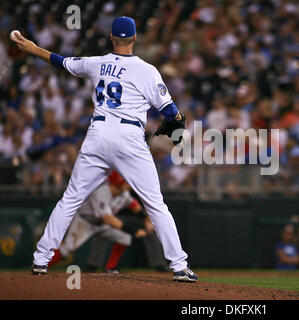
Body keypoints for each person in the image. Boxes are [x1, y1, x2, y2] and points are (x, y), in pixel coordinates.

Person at [11, 16, 197, 282]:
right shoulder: (146, 70)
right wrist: (177, 120)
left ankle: (40, 260)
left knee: (71, 199)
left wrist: (32, 48)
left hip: (97, 133)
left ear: (112, 37)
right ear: (134, 38)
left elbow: (60, 61)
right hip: (129, 136)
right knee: (155, 204)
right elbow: (169, 111)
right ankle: (179, 266)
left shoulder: (95, 63)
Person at [48, 171, 147, 273]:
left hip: (102, 224)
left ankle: (110, 268)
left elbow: (134, 206)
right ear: (119, 182)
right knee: (66, 250)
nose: (128, 184)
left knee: (125, 238)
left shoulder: (123, 194)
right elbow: (108, 218)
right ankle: (43, 265)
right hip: (85, 221)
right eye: (126, 181)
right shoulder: (102, 192)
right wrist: (133, 230)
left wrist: (146, 219)